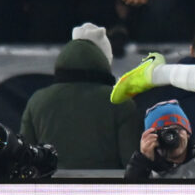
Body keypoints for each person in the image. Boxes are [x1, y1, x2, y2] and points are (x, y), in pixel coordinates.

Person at [20, 27, 140, 169]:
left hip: (52, 190)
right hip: (105, 189)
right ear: (102, 61)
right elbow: (132, 165)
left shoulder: (37, 101)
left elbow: (25, 159)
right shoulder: (121, 103)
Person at [124, 99, 195, 179]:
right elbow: (130, 190)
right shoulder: (147, 169)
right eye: (164, 133)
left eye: (176, 129)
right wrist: (143, 162)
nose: (171, 137)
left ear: (187, 133)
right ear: (152, 138)